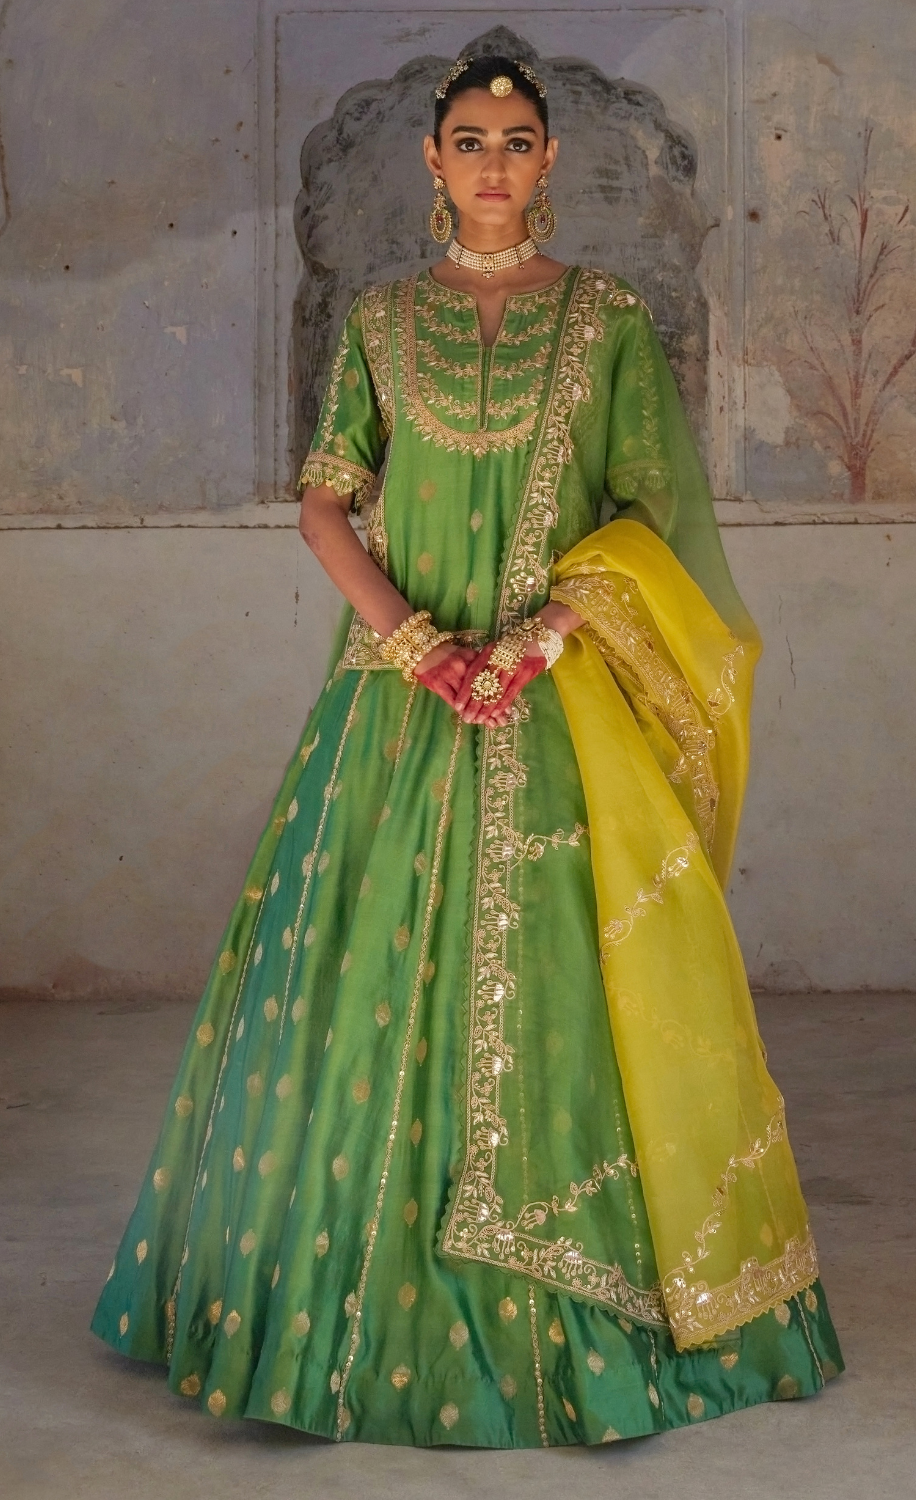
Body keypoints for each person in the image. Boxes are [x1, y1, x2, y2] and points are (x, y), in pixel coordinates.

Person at [92, 52, 843, 1448]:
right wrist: (417, 644)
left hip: (555, 698)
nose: (493, 161)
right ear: (431, 162)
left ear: (547, 160)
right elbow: (326, 504)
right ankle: (335, 1319)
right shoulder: (380, 322)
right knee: (357, 979)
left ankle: (581, 1324)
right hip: (399, 698)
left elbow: (652, 513)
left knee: (563, 985)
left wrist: (545, 635)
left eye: (516, 139)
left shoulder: (607, 321)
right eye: (469, 140)